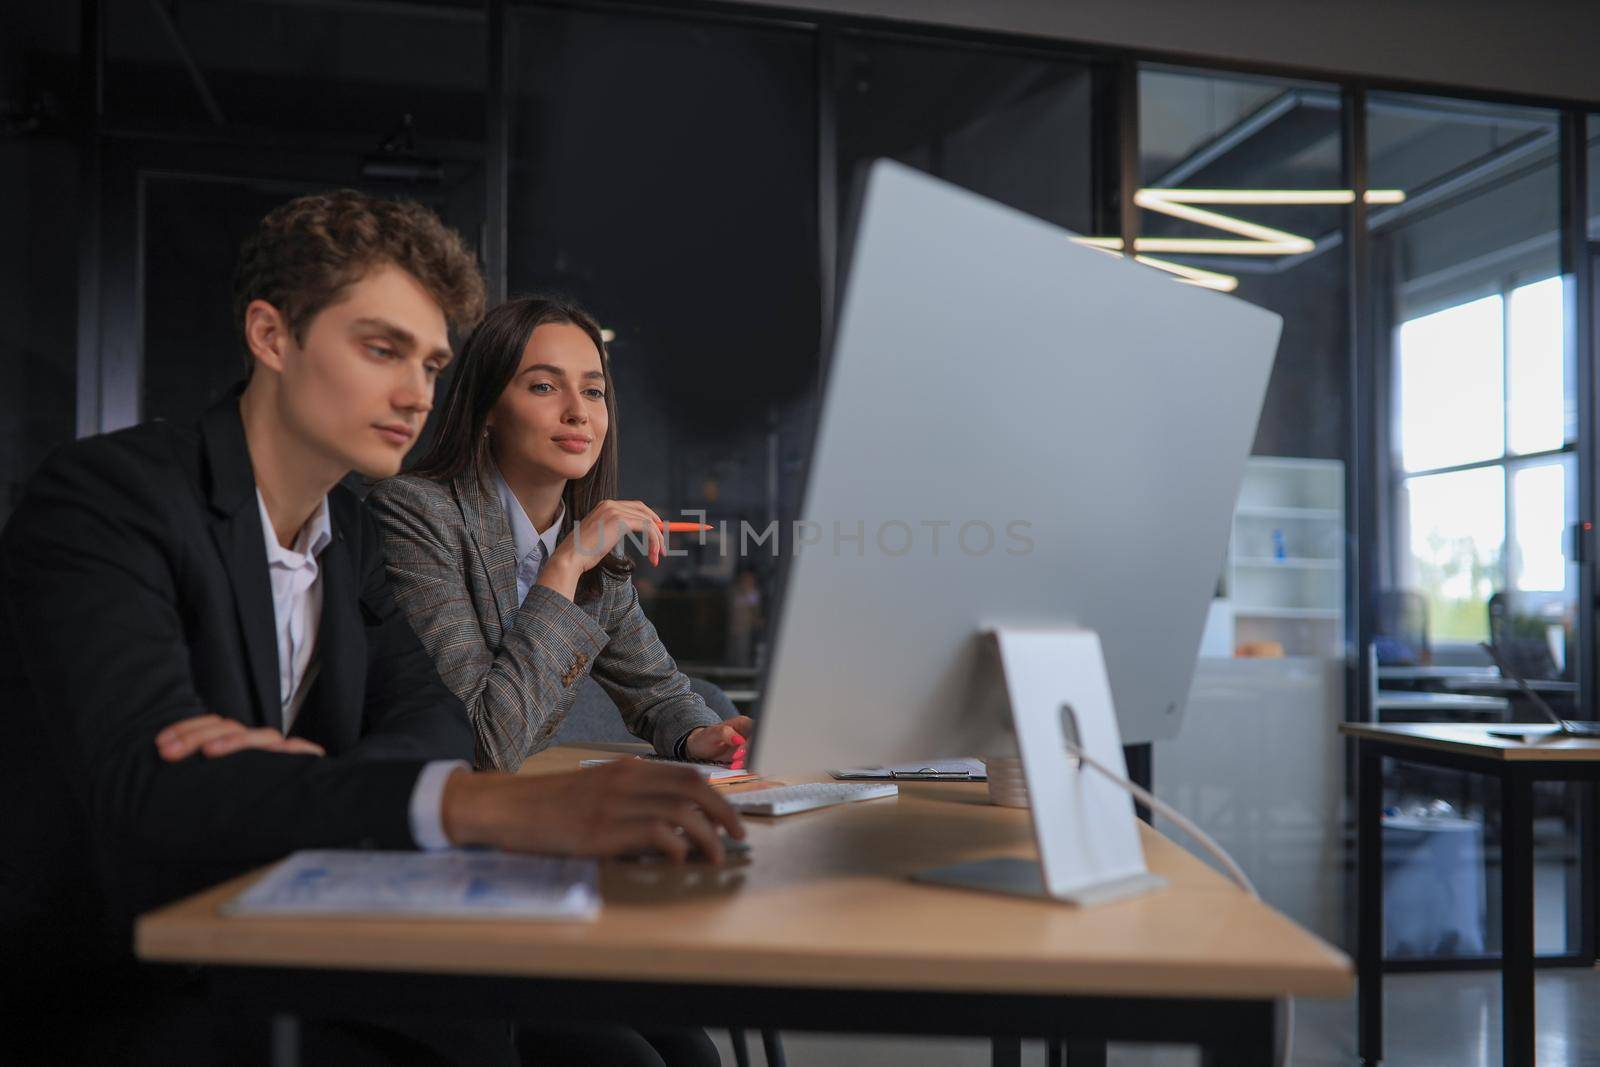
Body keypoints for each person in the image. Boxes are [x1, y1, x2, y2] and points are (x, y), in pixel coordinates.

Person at [0, 191, 742, 1065]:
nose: (413, 393)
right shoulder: (108, 498)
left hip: (305, 928)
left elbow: (437, 727)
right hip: (137, 973)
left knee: (646, 1049)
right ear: (272, 336)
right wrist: (454, 798)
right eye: (381, 349)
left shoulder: (352, 535)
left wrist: (310, 772)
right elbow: (148, 795)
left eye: (430, 365)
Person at [366, 295, 754, 772]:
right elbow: (482, 746)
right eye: (545, 386)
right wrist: (565, 566)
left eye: (593, 392)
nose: (578, 412)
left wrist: (700, 735)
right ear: (487, 407)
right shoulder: (415, 513)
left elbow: (658, 693)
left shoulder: (583, 539)